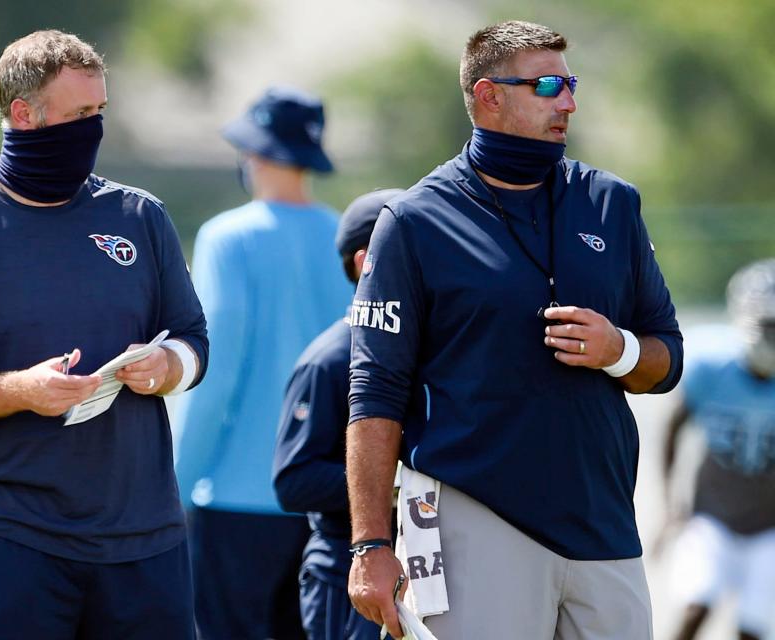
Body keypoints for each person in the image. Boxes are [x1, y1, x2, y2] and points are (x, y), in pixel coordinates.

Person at [344, 20, 684, 640]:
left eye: (571, 84)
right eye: (549, 85)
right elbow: (374, 391)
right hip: (471, 514)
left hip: (603, 523)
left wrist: (619, 350)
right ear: (488, 96)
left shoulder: (613, 203)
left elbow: (668, 357)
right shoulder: (414, 220)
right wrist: (369, 544)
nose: (569, 103)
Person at [0, 30, 207, 639]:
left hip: (146, 540)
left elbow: (194, 337)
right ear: (23, 115)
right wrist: (20, 389)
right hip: (16, 541)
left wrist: (169, 365)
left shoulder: (139, 216)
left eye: (100, 112)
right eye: (79, 114)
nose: (93, 128)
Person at [171, 86, 354, 640]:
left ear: (253, 155)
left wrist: (174, 484)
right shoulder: (347, 233)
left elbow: (217, 372)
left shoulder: (227, 238)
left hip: (235, 496)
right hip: (329, 498)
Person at [273, 188, 403, 640]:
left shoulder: (431, 349)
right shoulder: (328, 360)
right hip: (345, 577)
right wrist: (397, 481)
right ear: (367, 260)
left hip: (418, 570)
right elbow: (295, 480)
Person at [662, 259, 775, 640]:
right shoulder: (712, 367)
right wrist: (671, 504)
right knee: (696, 605)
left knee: (751, 628)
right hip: (713, 517)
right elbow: (673, 428)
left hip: (769, 527)